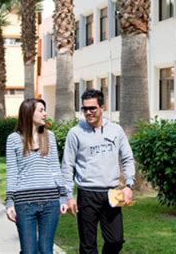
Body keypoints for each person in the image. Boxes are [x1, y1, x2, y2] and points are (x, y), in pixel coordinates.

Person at [62, 88, 135, 254]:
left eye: (92, 108)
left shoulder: (116, 130)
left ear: (102, 107)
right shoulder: (75, 133)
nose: (88, 113)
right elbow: (67, 166)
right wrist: (68, 196)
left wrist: (129, 185)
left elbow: (128, 159)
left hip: (112, 194)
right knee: (88, 246)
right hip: (87, 195)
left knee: (116, 240)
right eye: (85, 109)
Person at [5, 98, 68, 254]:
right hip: (24, 204)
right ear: (28, 113)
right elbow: (12, 172)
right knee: (29, 251)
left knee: (46, 250)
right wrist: (9, 202)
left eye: (45, 110)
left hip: (50, 203)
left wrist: (63, 197)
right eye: (41, 110)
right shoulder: (13, 139)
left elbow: (55, 168)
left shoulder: (50, 136)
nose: (45, 113)